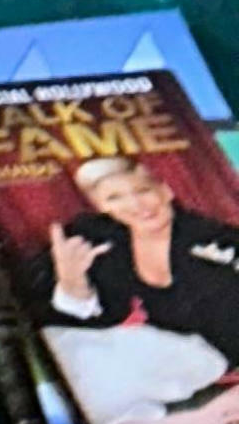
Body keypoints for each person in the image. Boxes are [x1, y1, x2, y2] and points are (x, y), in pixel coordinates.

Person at [41, 153, 239, 376]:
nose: (136, 205)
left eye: (143, 191)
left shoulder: (219, 238)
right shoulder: (101, 247)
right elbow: (84, 324)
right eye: (114, 198)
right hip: (172, 370)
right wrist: (72, 282)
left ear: (165, 191)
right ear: (101, 206)